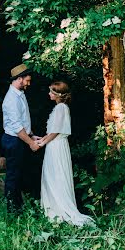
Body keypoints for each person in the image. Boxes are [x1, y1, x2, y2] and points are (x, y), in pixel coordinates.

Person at [38, 81, 95, 227]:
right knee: (52, 176)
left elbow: (56, 131)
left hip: (56, 146)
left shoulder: (60, 108)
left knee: (55, 176)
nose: (48, 94)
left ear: (57, 94)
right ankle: (53, 208)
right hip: (55, 144)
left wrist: (42, 143)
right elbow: (52, 131)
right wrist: (41, 139)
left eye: (51, 91)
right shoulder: (60, 108)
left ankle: (58, 210)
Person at [1, 63, 41, 211]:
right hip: (13, 141)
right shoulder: (11, 100)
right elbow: (17, 128)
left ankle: (19, 205)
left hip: (21, 139)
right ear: (19, 79)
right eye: (27, 81)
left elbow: (23, 121)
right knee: (13, 175)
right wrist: (31, 143)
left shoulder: (20, 94)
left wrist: (31, 135)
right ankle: (11, 209)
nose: (28, 84)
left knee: (21, 173)